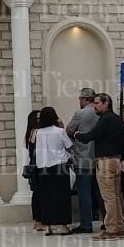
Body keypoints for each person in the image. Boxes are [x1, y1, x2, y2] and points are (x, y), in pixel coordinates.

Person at [77, 93, 124, 240]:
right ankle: (119, 228)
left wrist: (77, 135)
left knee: (109, 197)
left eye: (97, 103)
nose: (94, 106)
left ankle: (111, 229)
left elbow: (92, 135)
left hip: (105, 161)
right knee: (115, 197)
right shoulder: (117, 119)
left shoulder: (105, 119)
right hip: (116, 161)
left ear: (106, 104)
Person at [33, 106, 73, 235]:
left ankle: (48, 226)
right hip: (59, 166)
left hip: (43, 166)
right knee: (62, 196)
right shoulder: (59, 131)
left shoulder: (38, 132)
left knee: (46, 197)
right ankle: (63, 225)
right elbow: (69, 146)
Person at [66, 88, 100, 234]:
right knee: (104, 193)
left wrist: (75, 139)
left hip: (83, 158)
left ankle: (86, 224)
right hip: (100, 158)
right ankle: (107, 221)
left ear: (86, 99)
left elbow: (69, 130)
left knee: (84, 193)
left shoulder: (80, 114)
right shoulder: (101, 114)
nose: (79, 101)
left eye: (80, 98)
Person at [25, 111, 44, 232]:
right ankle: (39, 220)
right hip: (38, 166)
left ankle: (37, 221)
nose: (39, 120)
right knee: (39, 194)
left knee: (37, 194)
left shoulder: (31, 133)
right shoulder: (36, 132)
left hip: (36, 166)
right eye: (37, 118)